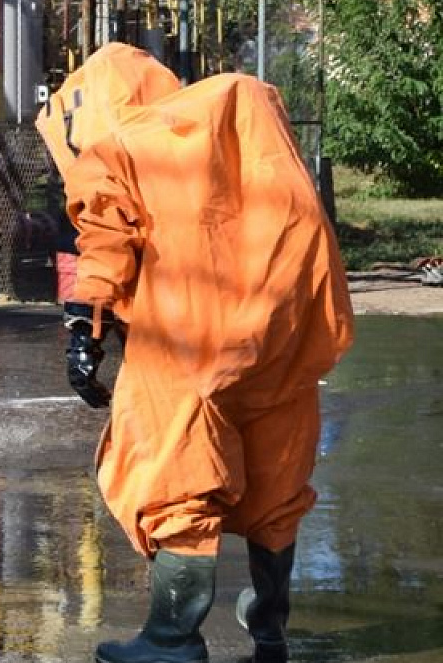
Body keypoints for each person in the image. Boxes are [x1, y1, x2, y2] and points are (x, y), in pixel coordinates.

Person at [34, 43, 355, 663]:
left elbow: (105, 242)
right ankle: (269, 628)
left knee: (175, 482)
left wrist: (85, 331)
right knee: (276, 485)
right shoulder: (235, 108)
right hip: (281, 335)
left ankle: (172, 639)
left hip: (183, 342)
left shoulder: (117, 148)